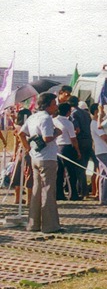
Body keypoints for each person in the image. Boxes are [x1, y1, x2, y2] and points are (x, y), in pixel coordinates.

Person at [18, 92, 63, 233]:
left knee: (36, 191)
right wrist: (57, 133)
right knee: (49, 191)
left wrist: (27, 148)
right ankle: (50, 225)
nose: (56, 107)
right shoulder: (46, 118)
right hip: (47, 158)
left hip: (35, 157)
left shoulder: (32, 117)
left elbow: (21, 134)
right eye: (54, 104)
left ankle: (33, 224)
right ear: (48, 105)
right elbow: (47, 138)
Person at [54, 103, 81, 201]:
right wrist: (77, 150)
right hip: (66, 147)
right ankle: (73, 194)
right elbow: (73, 139)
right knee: (70, 172)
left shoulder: (54, 120)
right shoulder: (68, 123)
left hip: (56, 147)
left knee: (59, 172)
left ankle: (59, 193)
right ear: (68, 112)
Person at [68, 96, 92, 199]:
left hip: (80, 141)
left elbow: (76, 130)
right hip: (88, 141)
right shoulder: (86, 113)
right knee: (84, 166)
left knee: (79, 168)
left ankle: (83, 191)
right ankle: (84, 190)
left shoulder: (73, 114)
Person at [90, 103, 107, 206]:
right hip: (102, 150)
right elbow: (104, 137)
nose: (104, 112)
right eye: (102, 110)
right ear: (96, 112)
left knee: (104, 174)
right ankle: (106, 197)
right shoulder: (94, 123)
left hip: (104, 150)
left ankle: (103, 197)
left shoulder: (100, 122)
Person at [10, 109, 33, 205]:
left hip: (20, 151)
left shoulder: (16, 127)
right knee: (29, 175)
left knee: (18, 175)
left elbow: (15, 144)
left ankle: (17, 198)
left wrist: (14, 154)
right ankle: (29, 200)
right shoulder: (28, 127)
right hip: (28, 151)